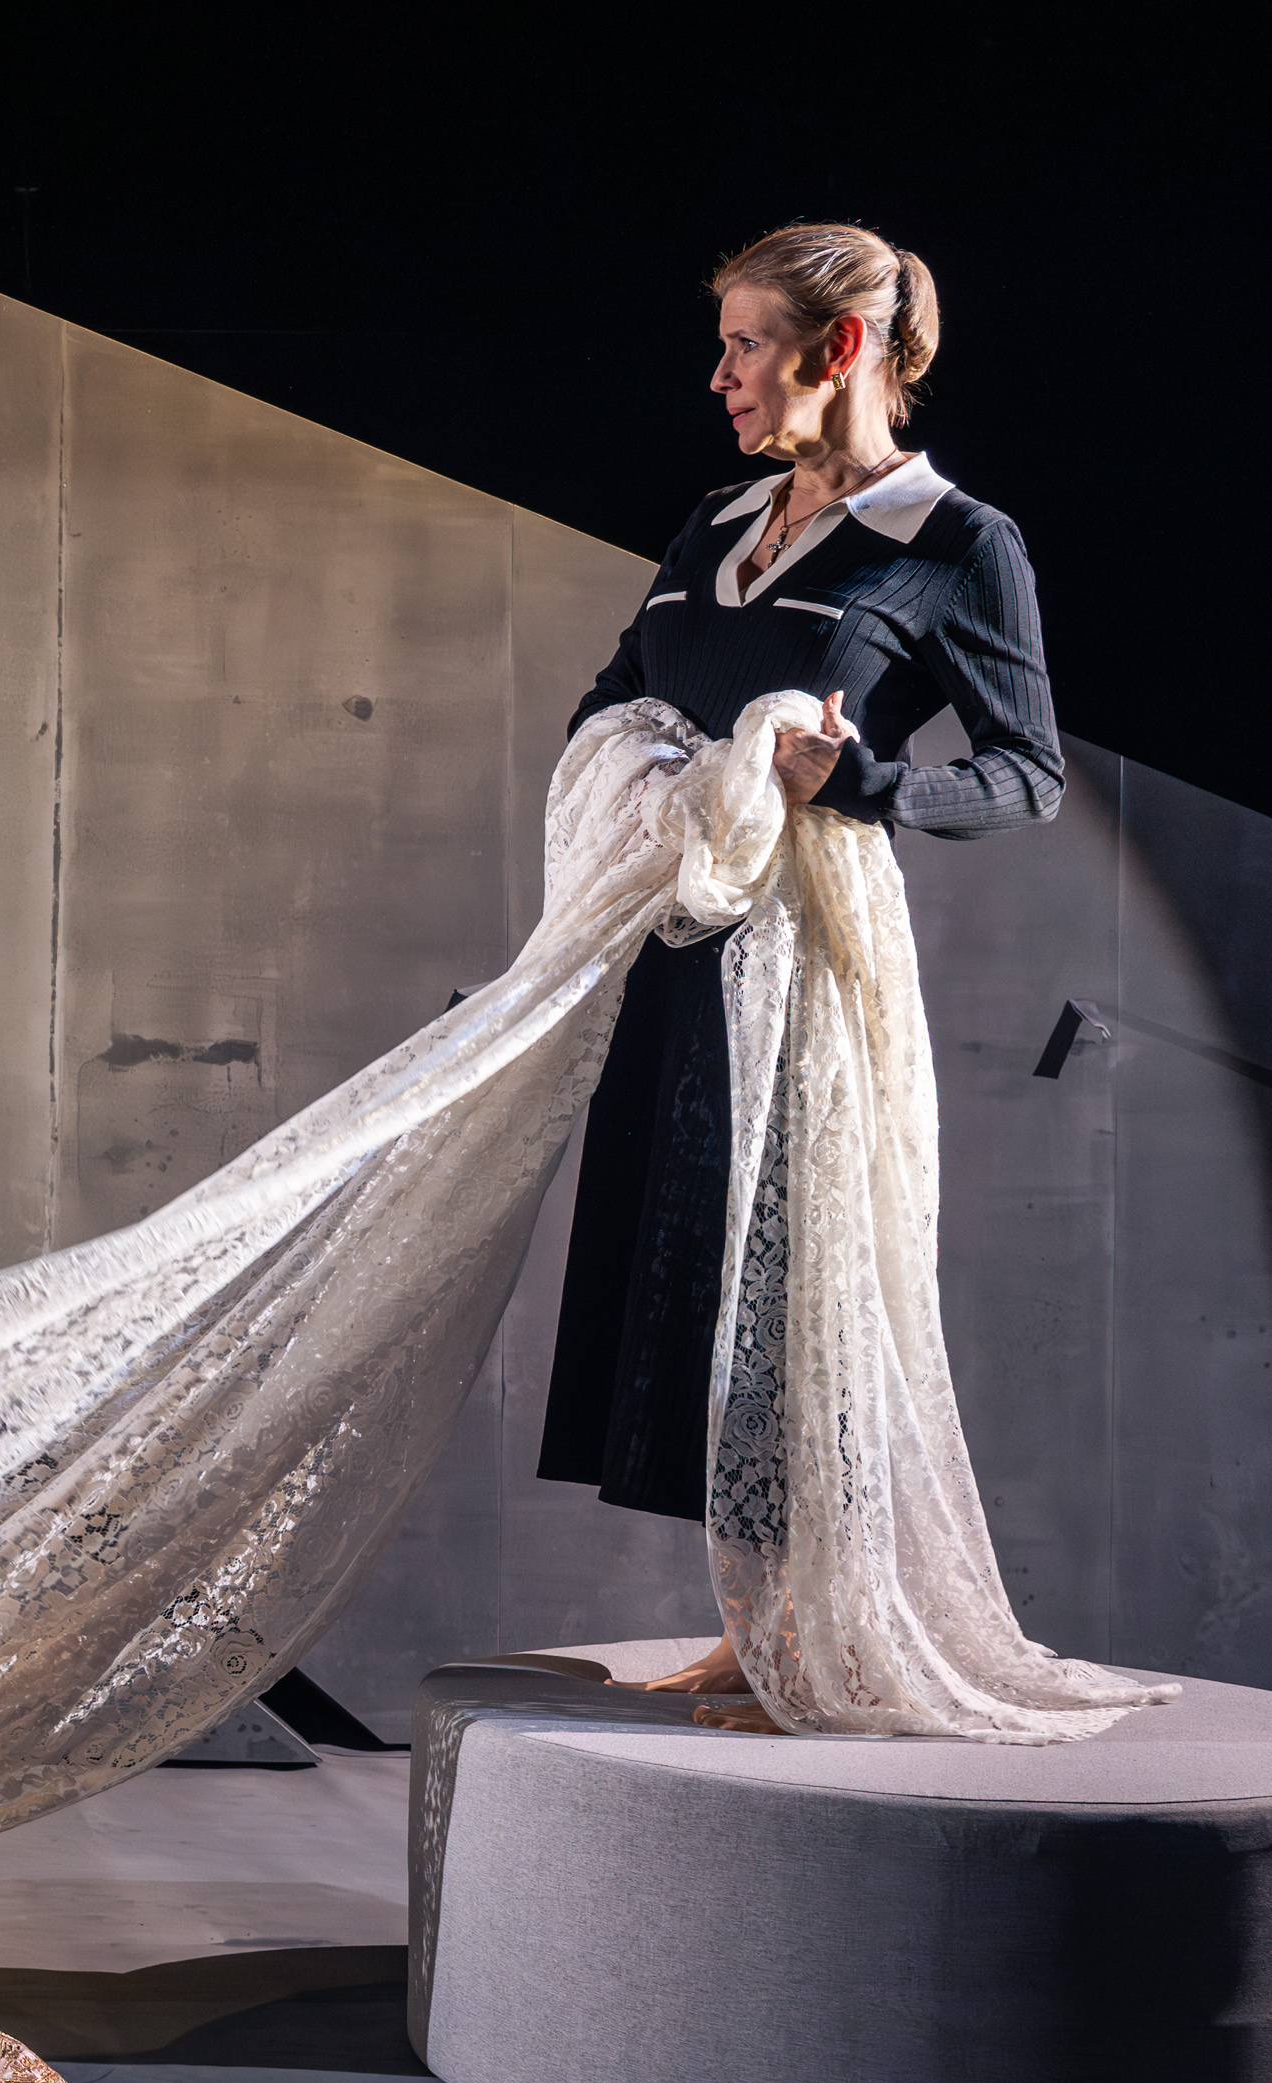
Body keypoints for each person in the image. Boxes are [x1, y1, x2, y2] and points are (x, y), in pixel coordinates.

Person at [538, 225, 1060, 1728]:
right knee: (693, 1269)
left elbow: (1027, 776)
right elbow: (610, 702)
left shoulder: (956, 543)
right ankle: (752, 1626)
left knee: (791, 1283)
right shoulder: (713, 523)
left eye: (746, 345)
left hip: (805, 966)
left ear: (839, 351)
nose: (719, 377)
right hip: (674, 940)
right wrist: (655, 777)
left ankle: (808, 1647)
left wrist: (871, 783)